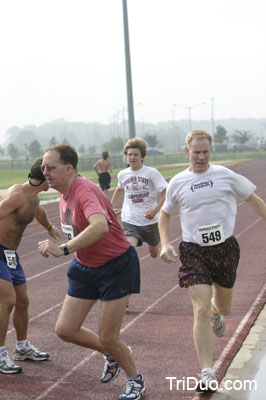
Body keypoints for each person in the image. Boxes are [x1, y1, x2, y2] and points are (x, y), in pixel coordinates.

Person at [158, 129, 266, 392]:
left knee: (222, 308)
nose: (201, 157)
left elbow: (253, 199)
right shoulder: (178, 182)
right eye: (196, 152)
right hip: (194, 251)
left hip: (225, 249)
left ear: (210, 151)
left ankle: (218, 315)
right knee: (201, 309)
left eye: (205, 152)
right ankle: (207, 372)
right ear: (187, 152)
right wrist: (163, 243)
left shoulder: (225, 175)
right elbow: (164, 214)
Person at [38, 144, 145, 400]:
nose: (46, 173)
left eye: (51, 168)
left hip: (115, 265)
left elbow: (100, 228)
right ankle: (114, 353)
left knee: (109, 336)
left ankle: (135, 379)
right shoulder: (64, 189)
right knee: (65, 329)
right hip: (84, 266)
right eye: (43, 167)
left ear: (68, 168)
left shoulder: (84, 190)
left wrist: (63, 248)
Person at [0, 158, 60, 374]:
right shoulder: (17, 195)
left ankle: (22, 347)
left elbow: (38, 213)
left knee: (23, 301)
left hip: (10, 254)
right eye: (50, 176)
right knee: (7, 301)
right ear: (44, 179)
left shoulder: (33, 198)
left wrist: (50, 228)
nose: (53, 180)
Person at [111, 137, 167, 258]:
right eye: (129, 154)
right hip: (130, 220)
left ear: (142, 157)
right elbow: (119, 189)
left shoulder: (151, 172)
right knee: (128, 251)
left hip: (149, 220)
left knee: (153, 253)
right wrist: (110, 208)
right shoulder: (123, 174)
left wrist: (155, 210)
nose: (132, 157)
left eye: (136, 154)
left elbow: (165, 192)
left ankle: (152, 244)